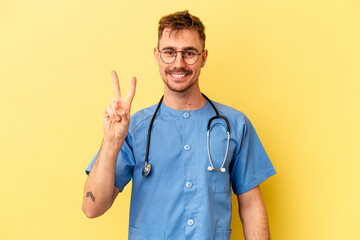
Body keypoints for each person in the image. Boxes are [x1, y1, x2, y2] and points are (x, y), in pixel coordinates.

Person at [82, 10, 276, 240]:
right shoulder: (133, 129)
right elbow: (92, 207)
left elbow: (252, 206)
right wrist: (111, 143)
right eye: (169, 52)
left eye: (189, 53)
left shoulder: (234, 125)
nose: (179, 63)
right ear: (156, 55)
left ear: (203, 58)